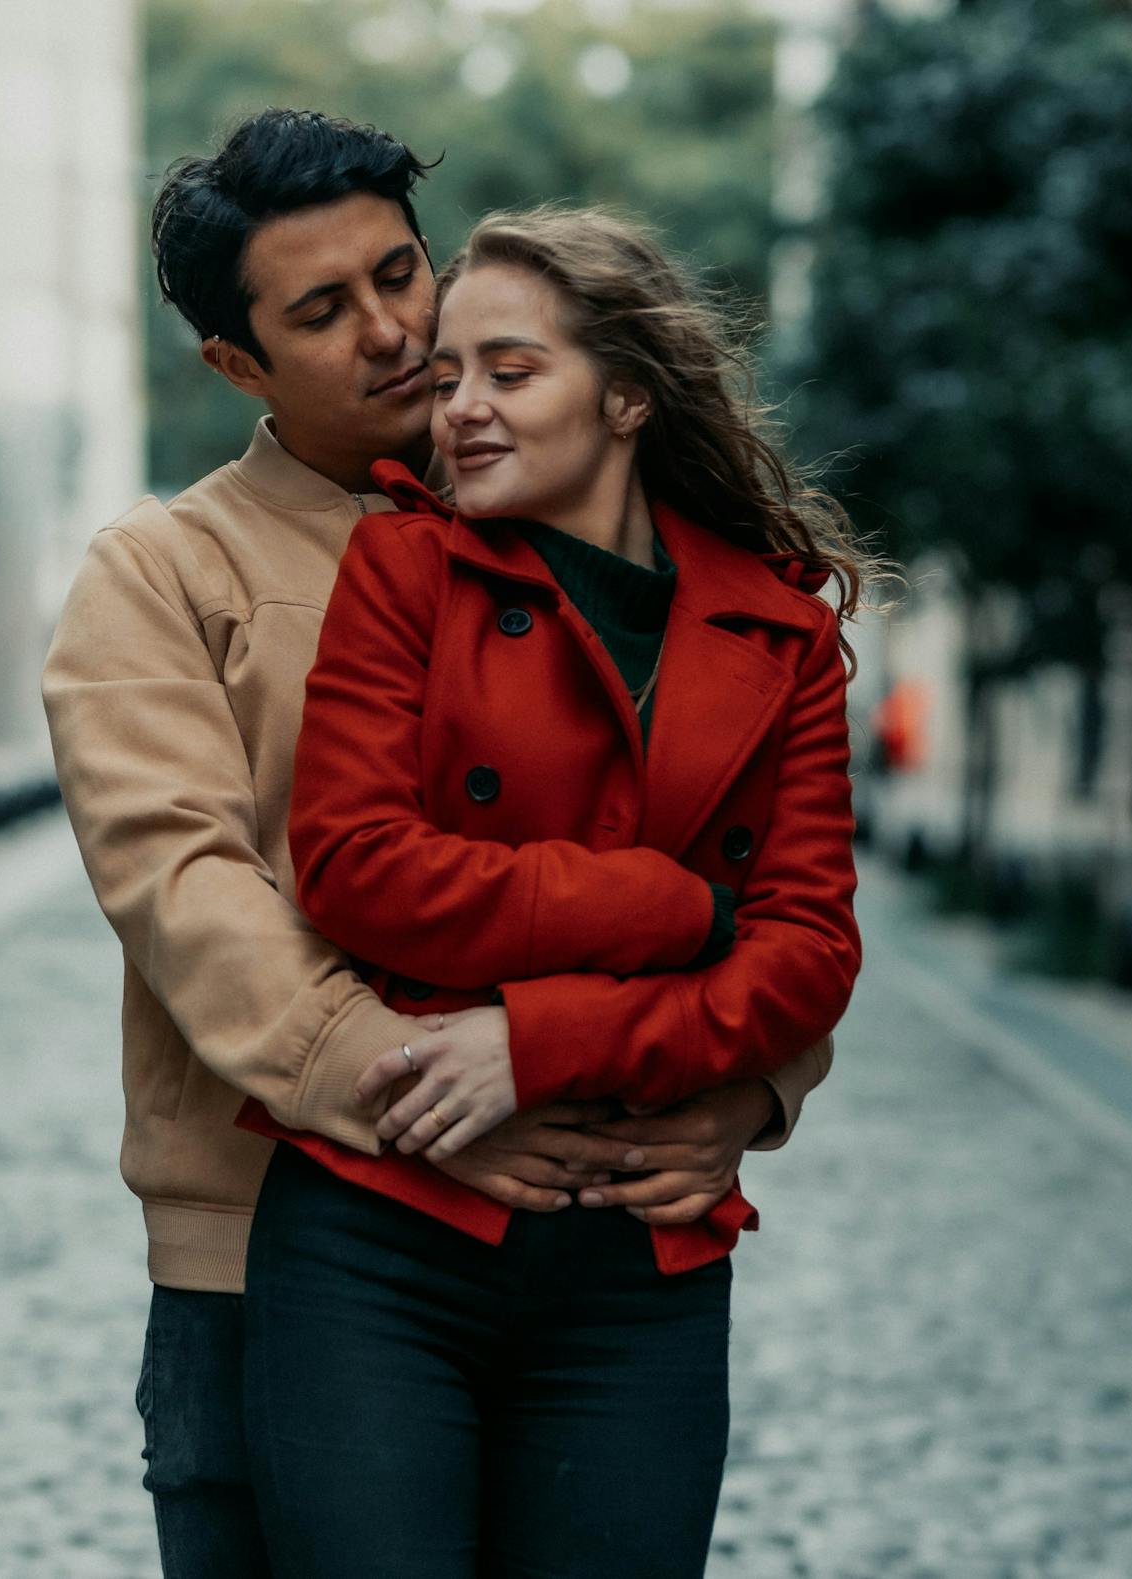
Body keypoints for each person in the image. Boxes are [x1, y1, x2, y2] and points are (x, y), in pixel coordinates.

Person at [40, 111, 835, 1579]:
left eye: (403, 273)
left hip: (585, 1237)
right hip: (263, 1235)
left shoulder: (594, 537)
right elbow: (186, 891)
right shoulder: (169, 574)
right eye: (324, 312)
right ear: (238, 363)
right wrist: (423, 1094)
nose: (396, 330)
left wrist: (748, 1091)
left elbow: (757, 879)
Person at [241, 205, 877, 1578]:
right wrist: (664, 910)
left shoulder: (782, 634)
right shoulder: (404, 570)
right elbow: (355, 865)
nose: (458, 408)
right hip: (382, 1238)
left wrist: (541, 1041)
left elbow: (809, 954)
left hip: (636, 1262)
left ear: (629, 395)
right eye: (452, 374)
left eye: (509, 373)